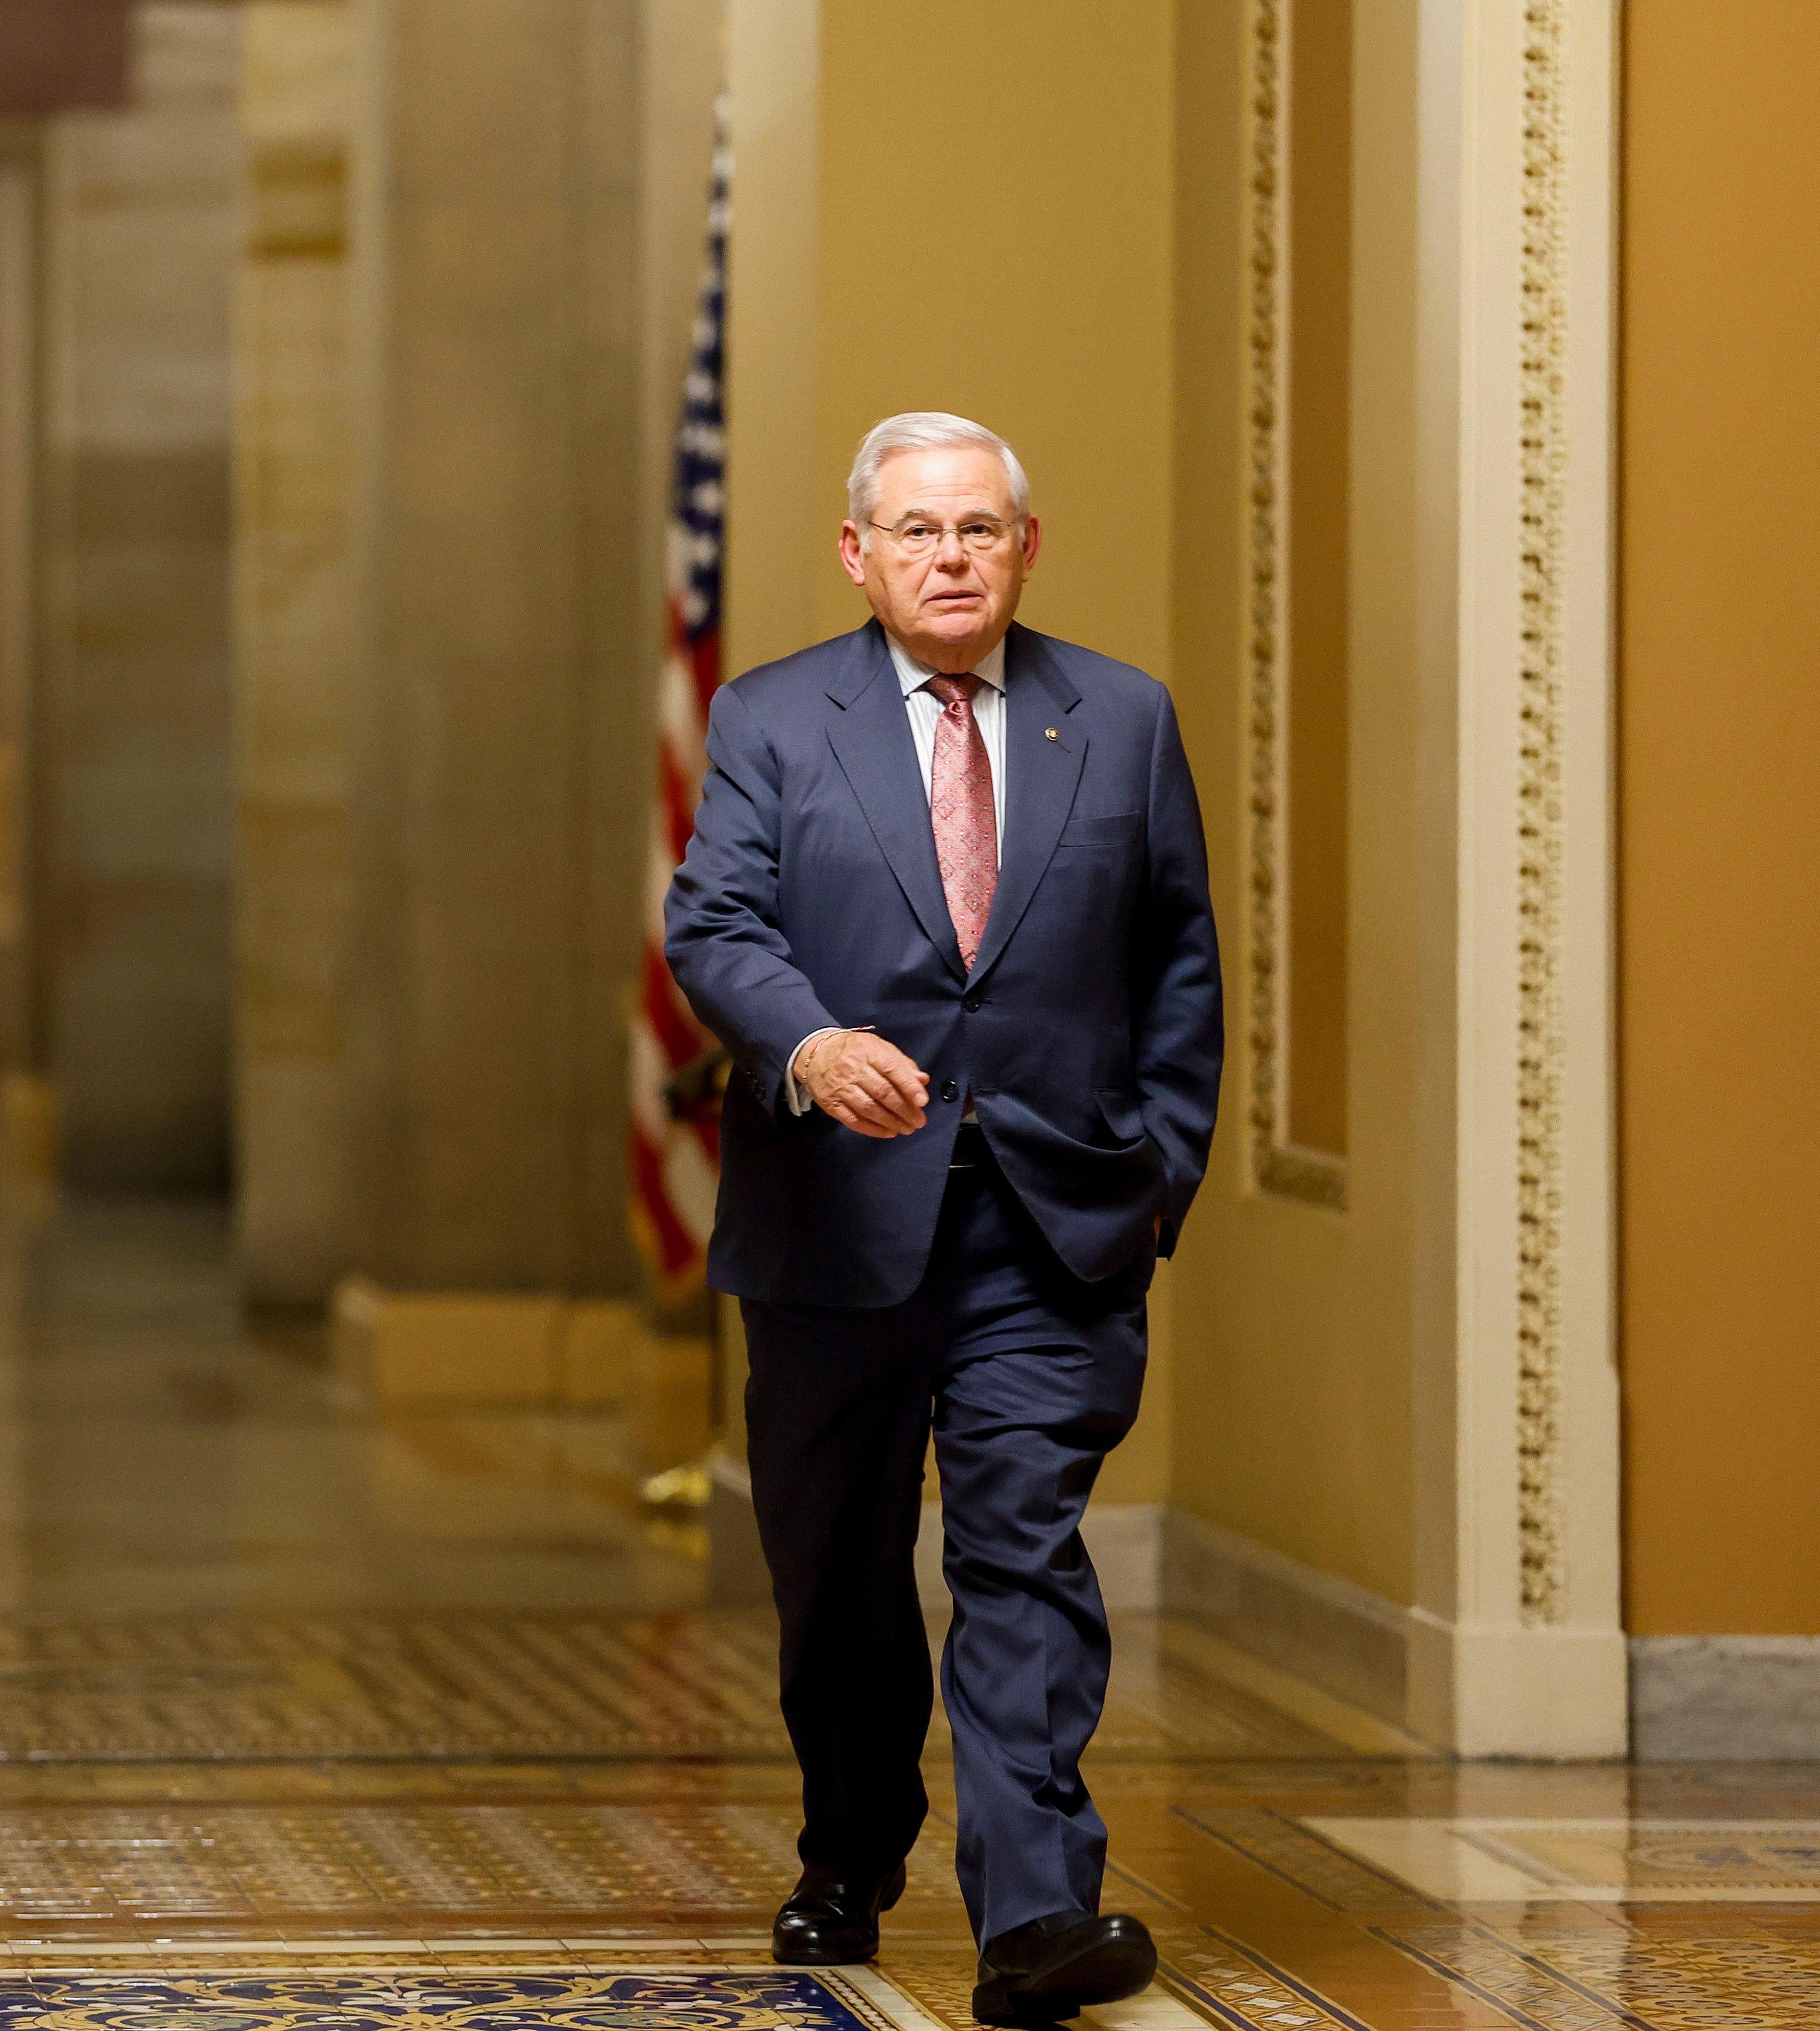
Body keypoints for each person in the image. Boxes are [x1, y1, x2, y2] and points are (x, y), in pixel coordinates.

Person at [663, 413, 1222, 2027]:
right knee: (836, 1567)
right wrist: (806, 1042)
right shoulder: (772, 717)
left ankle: (1037, 1914)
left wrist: (1159, 1168)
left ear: (1024, 547)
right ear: (858, 553)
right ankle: (849, 1844)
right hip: (831, 1227)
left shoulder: (1116, 718)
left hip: (1051, 1227)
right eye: (914, 531)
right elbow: (714, 919)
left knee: (1019, 1554)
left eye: (977, 528)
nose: (949, 556)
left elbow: (1178, 960)